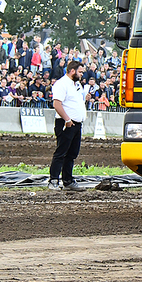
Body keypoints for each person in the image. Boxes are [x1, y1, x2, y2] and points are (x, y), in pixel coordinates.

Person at [48, 60, 87, 191]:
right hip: (66, 123)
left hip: (76, 123)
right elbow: (57, 104)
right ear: (72, 71)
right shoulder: (62, 84)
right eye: (80, 72)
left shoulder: (76, 85)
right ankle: (53, 180)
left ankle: (68, 180)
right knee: (61, 152)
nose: (82, 74)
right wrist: (67, 119)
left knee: (72, 153)